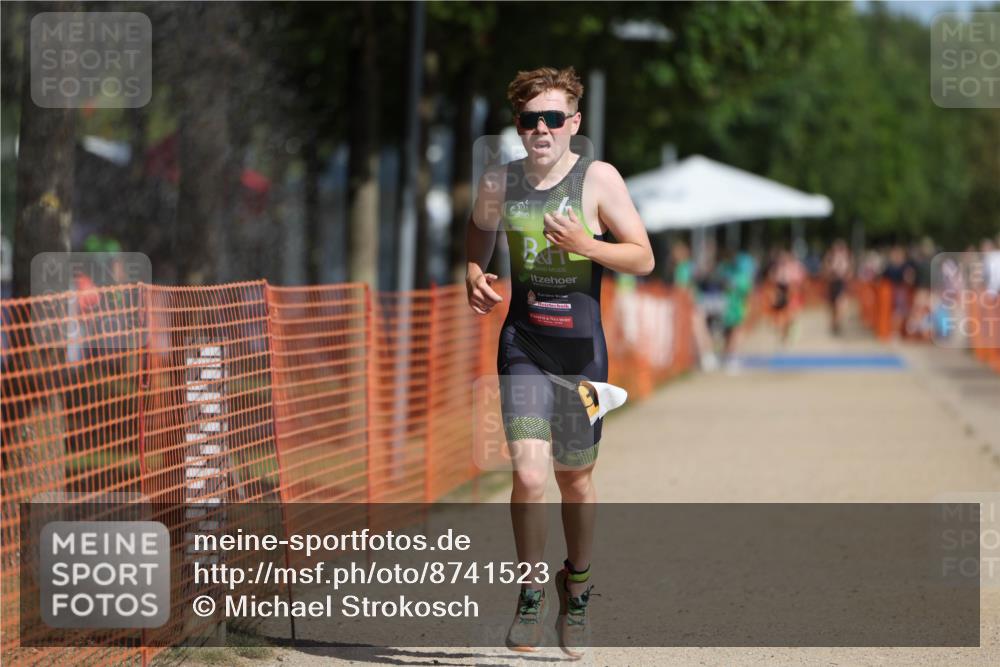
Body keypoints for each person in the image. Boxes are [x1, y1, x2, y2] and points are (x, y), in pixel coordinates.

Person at [465, 66, 654, 657]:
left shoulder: (598, 180)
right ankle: (529, 596)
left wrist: (586, 246)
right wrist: (472, 272)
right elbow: (477, 233)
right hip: (522, 342)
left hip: (581, 354)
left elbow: (643, 257)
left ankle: (577, 587)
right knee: (526, 475)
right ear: (519, 127)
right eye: (529, 119)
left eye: (552, 118)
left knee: (575, 479)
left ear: (573, 123)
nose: (541, 129)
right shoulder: (500, 181)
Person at [822, 239, 853, 336]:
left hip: (841, 284)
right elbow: (825, 272)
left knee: (840, 305)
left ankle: (837, 323)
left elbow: (850, 273)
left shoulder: (846, 258)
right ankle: (834, 323)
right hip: (833, 284)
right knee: (833, 307)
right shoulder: (830, 258)